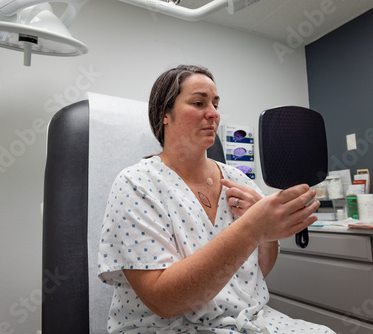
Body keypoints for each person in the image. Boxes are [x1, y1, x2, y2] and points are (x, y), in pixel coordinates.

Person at [98, 65, 335, 333]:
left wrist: (267, 236)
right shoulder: (136, 184)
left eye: (215, 103)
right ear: (165, 114)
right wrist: (251, 230)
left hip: (246, 319)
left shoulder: (239, 181)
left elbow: (254, 276)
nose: (213, 114)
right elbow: (163, 301)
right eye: (199, 103)